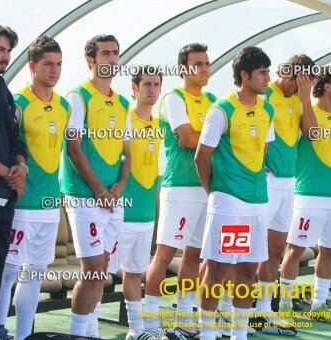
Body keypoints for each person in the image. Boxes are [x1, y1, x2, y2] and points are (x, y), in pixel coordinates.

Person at [0, 35, 69, 340]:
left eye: (59, 64)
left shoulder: (64, 106)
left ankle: (22, 336)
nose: (55, 70)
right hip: (21, 204)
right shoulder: (17, 102)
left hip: (50, 205)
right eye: (48, 64)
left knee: (34, 274)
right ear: (32, 66)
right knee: (7, 273)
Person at [195, 46, 274, 340]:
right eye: (262, 72)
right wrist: (216, 192)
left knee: (247, 270)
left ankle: (238, 334)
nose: (268, 78)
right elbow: (202, 157)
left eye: (268, 71)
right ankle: (207, 334)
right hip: (229, 203)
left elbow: (262, 150)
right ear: (244, 75)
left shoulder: (267, 109)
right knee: (219, 271)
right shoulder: (222, 110)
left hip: (257, 202)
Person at [143, 43, 216, 338]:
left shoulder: (212, 99)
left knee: (194, 256)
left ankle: (184, 319)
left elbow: (216, 138)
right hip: (179, 188)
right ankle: (148, 324)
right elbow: (187, 139)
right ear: (182, 69)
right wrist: (212, 137)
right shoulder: (174, 98)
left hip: (205, 187)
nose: (204, 68)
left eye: (206, 63)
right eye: (197, 63)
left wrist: (211, 138)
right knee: (163, 256)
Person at [61, 34, 131, 337]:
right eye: (105, 54)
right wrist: (100, 191)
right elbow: (73, 147)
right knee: (91, 272)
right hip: (84, 198)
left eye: (115, 53)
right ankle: (79, 334)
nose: (112, 59)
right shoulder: (78, 96)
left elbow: (127, 152)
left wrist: (119, 187)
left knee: (101, 272)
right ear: (91, 60)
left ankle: (91, 331)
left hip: (112, 199)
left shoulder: (123, 101)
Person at [278, 67, 331, 325]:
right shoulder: (303, 111)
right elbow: (310, 135)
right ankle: (284, 303)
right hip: (308, 195)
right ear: (327, 87)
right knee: (295, 249)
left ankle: (318, 305)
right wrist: (306, 99)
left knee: (329, 251)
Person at [251, 55, 313, 336]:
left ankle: (264, 310)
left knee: (275, 249)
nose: (302, 85)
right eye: (300, 80)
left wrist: (306, 97)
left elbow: (311, 133)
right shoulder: (265, 94)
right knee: (252, 248)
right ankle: (237, 307)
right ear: (289, 75)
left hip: (289, 183)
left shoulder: (301, 98)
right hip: (265, 181)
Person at [107, 67, 163, 339]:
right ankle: (90, 329)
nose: (152, 90)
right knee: (100, 274)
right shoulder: (124, 119)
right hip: (121, 213)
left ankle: (137, 330)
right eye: (147, 84)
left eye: (156, 85)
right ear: (134, 87)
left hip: (146, 214)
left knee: (134, 273)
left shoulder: (158, 123)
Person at [0, 24, 27, 319]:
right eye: (0, 49)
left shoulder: (4, 90)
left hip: (4, 202)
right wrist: (7, 173)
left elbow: (17, 138)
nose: (6, 56)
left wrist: (21, 166)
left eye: (9, 51)